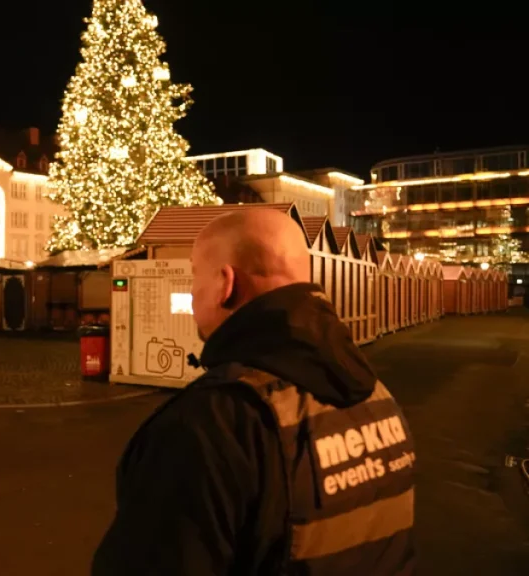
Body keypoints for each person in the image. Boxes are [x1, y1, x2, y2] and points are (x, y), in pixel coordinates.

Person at [92, 208, 416, 575]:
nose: (191, 291)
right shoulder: (377, 396)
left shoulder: (212, 424)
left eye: (196, 275)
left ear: (225, 283)